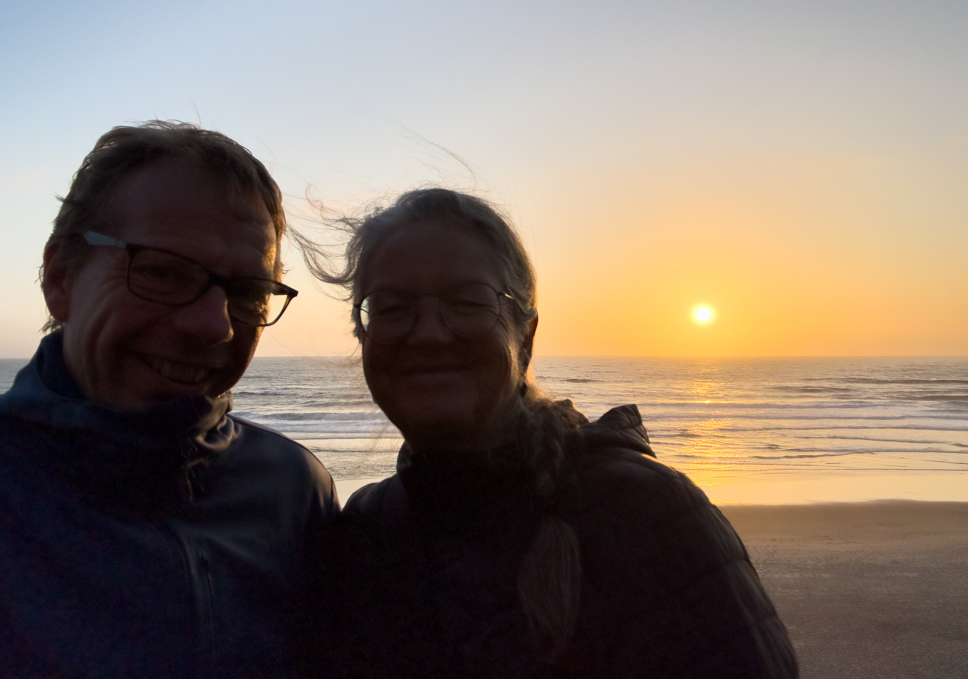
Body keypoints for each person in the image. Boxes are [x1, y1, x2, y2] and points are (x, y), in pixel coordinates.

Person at [298, 187, 798, 678]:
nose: (428, 333)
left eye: (468, 302)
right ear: (364, 337)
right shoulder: (365, 530)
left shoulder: (648, 511)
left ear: (526, 335)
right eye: (391, 307)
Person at [0, 121, 338, 678]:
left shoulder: (293, 490)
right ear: (62, 278)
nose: (213, 327)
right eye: (162, 272)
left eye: (248, 293)